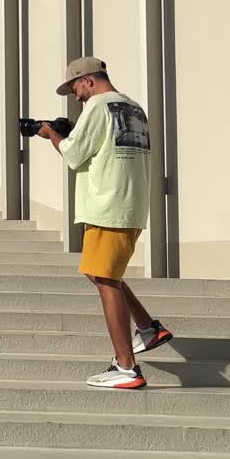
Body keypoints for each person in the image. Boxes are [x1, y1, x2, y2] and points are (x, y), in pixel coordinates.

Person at [38, 57, 174, 389]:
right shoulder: (133, 107)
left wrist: (51, 134)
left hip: (107, 204)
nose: (75, 95)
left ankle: (126, 367)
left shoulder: (97, 106)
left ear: (88, 80)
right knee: (99, 272)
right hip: (129, 203)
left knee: (105, 280)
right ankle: (148, 328)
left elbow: (73, 155)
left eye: (74, 87)